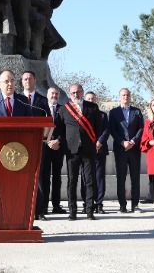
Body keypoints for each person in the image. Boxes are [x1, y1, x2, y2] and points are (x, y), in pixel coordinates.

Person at [48, 83, 99, 220]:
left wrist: (98, 141)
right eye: (73, 93)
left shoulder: (93, 107)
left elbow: (98, 127)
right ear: (70, 94)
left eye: (78, 92)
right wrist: (58, 141)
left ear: (82, 92)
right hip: (72, 150)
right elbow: (59, 130)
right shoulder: (64, 110)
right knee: (72, 181)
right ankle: (73, 212)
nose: (76, 95)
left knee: (89, 181)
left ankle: (89, 211)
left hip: (88, 149)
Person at [17, 71, 51, 218]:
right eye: (25, 79)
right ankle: (21, 209)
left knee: (39, 177)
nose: (27, 81)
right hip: (19, 144)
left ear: (35, 80)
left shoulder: (43, 101)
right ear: (21, 81)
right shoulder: (17, 99)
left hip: (37, 142)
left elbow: (49, 119)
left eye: (30, 78)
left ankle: (40, 210)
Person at [109, 88, 144, 213]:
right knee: (121, 178)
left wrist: (133, 141)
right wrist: (123, 142)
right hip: (120, 149)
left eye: (128, 95)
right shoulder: (113, 112)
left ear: (130, 97)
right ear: (119, 97)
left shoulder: (137, 111)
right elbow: (112, 130)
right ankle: (122, 206)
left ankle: (135, 205)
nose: (126, 97)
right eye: (123, 95)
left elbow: (141, 128)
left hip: (134, 149)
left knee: (135, 178)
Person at [83, 90, 109, 214]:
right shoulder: (81, 115)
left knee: (99, 177)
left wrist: (99, 142)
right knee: (86, 177)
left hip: (100, 149)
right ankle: (87, 203)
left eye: (92, 99)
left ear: (96, 100)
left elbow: (106, 130)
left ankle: (99, 204)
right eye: (88, 99)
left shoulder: (103, 115)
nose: (91, 101)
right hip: (85, 150)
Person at [45, 86, 66, 213]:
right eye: (52, 93)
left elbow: (66, 128)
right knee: (45, 177)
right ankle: (44, 206)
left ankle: (56, 205)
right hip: (45, 148)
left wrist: (58, 140)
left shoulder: (63, 109)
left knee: (57, 177)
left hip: (58, 147)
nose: (54, 96)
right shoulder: (42, 109)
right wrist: (48, 141)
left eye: (56, 94)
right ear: (47, 95)